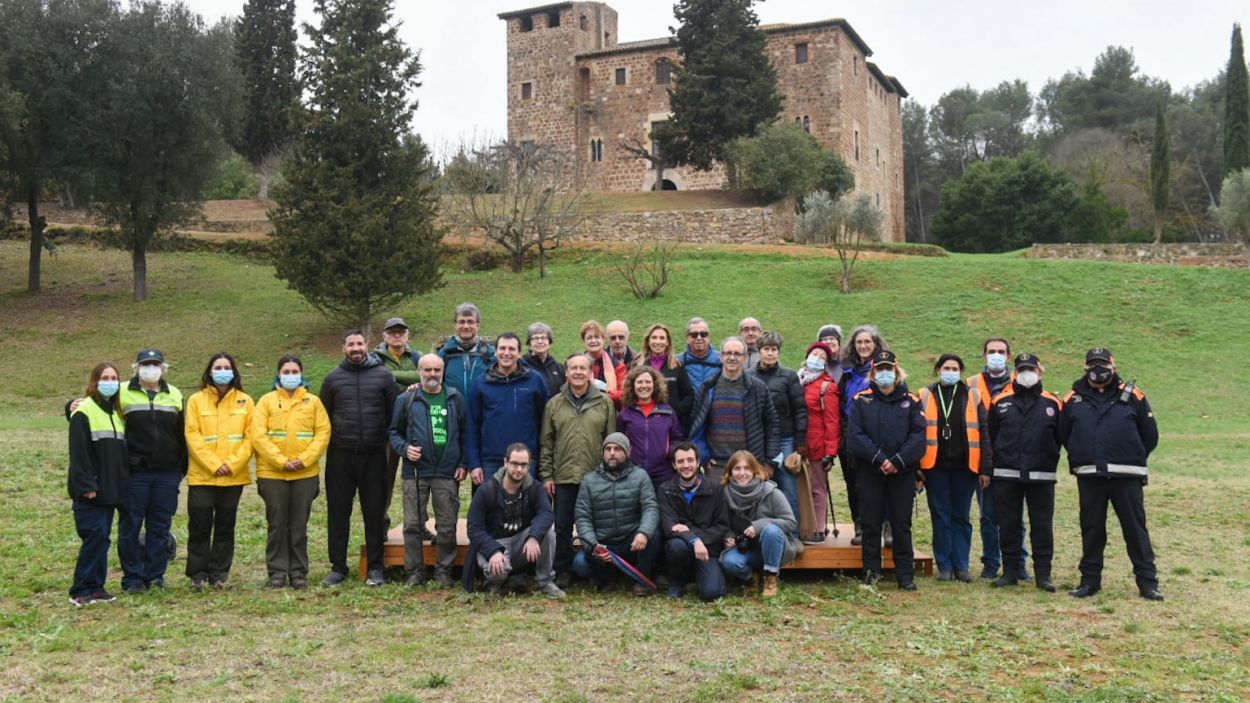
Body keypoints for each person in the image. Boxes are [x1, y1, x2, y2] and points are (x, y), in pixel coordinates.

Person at [1061, 348, 1163, 601]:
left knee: (1135, 530)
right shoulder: (1073, 398)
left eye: (1103, 364)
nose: (1098, 369)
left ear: (1113, 366)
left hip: (1126, 476)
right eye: (1093, 364)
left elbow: (1150, 435)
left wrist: (1130, 455)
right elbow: (1064, 434)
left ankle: (1148, 583)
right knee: (1092, 530)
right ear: (1085, 369)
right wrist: (1081, 454)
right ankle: (1089, 582)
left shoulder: (1134, 396)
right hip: (1090, 476)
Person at [319, 330, 400, 587]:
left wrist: (381, 439)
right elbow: (324, 416)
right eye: (350, 344)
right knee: (338, 511)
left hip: (375, 455)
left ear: (367, 345)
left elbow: (393, 414)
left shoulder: (383, 376)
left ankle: (376, 568)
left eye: (360, 343)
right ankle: (338, 567)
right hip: (340, 455)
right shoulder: (332, 379)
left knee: (374, 512)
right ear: (343, 348)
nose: (356, 348)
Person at [846, 350, 925, 590]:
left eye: (888, 369)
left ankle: (905, 575)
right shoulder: (861, 400)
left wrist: (898, 461)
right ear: (873, 372)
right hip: (870, 471)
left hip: (902, 472)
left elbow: (919, 436)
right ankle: (871, 573)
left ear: (896, 371)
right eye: (880, 369)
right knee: (871, 523)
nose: (884, 373)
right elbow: (855, 436)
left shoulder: (912, 401)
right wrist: (879, 459)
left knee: (901, 523)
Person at [986, 353, 1064, 592]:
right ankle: (1010, 571)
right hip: (1006, 473)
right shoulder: (1000, 401)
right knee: (1008, 525)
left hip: (1042, 475)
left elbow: (1061, 436)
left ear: (1040, 372)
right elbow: (991, 434)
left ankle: (1043, 575)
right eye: (1021, 370)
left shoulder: (1053, 403)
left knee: (1042, 525)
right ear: (1014, 373)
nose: (1026, 374)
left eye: (1031, 369)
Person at [251, 355, 330, 589]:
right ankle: (277, 572)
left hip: (304, 475)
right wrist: (281, 461)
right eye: (286, 371)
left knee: (298, 525)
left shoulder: (313, 402)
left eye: (295, 371)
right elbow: (258, 435)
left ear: (302, 374)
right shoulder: (265, 401)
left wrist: (304, 460)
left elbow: (323, 433)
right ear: (278, 374)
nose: (290, 376)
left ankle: (298, 573)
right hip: (272, 474)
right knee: (276, 524)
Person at [389, 353, 467, 588]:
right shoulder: (407, 399)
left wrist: (463, 463)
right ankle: (414, 571)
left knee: (447, 524)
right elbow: (394, 432)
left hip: (447, 471)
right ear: (419, 372)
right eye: (427, 370)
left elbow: (465, 433)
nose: (432, 374)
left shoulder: (454, 398)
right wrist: (404, 449)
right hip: (415, 471)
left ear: (442, 371)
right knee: (412, 523)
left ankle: (444, 570)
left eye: (437, 370)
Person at [540, 353, 617, 587]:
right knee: (563, 526)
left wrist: (609, 474)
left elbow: (611, 441)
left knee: (597, 526)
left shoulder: (605, 403)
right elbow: (546, 442)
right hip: (564, 476)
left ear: (591, 372)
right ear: (566, 372)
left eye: (583, 368)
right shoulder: (554, 403)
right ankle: (562, 569)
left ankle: (598, 571)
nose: (578, 372)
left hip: (596, 476)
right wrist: (547, 475)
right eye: (573, 368)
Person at [117, 348, 187, 595]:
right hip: (135, 473)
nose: (151, 368)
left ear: (163, 367)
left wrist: (181, 468)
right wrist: (71, 406)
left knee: (160, 527)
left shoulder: (174, 394)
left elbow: (182, 434)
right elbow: (96, 409)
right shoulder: (121, 391)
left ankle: (155, 575)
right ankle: (133, 578)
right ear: (136, 368)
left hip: (167, 474)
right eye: (146, 364)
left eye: (155, 363)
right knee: (130, 526)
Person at [183, 352, 254, 591]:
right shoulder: (195, 400)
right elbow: (192, 435)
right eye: (218, 367)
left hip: (233, 476)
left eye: (227, 367)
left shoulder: (245, 401)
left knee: (225, 525)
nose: (223, 371)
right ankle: (197, 574)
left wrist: (232, 464)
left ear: (233, 372)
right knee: (200, 525)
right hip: (203, 475)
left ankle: (219, 573)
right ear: (210, 372)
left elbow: (249, 438)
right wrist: (214, 464)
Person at [918, 354, 991, 583]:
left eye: (955, 368)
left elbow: (984, 433)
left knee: (961, 516)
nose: (950, 371)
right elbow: (916, 431)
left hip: (965, 467)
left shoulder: (973, 395)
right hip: (934, 466)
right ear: (938, 370)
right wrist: (917, 467)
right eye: (946, 367)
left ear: (961, 371)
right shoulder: (925, 394)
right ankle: (945, 566)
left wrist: (985, 468)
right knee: (941, 516)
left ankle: (961, 565)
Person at [464, 443, 565, 598]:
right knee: (498, 572)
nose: (519, 469)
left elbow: (546, 513)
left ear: (529, 465)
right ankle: (495, 584)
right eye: (515, 464)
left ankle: (545, 582)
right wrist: (493, 551)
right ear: (505, 462)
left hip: (520, 543)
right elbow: (473, 528)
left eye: (523, 465)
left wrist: (534, 536)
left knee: (548, 533)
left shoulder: (534, 488)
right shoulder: (487, 490)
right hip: (494, 543)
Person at [67, 362, 127, 606]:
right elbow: (79, 454)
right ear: (94, 381)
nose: (110, 382)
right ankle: (80, 589)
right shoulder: (84, 411)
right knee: (93, 537)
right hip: (90, 492)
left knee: (102, 538)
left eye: (114, 378)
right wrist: (86, 486)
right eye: (105, 377)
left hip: (109, 490)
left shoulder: (114, 413)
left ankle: (97, 587)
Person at [967, 337, 1027, 581]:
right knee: (988, 515)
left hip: (1013, 459)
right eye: (991, 351)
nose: (996, 355)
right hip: (983, 460)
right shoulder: (971, 384)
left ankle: (1019, 563)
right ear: (983, 356)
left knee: (1015, 516)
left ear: (1009, 356)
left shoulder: (1021, 382)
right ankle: (991, 562)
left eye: (1001, 351)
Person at [572, 433, 661, 595]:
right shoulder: (589, 480)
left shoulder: (640, 476)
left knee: (653, 534)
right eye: (608, 449)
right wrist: (593, 546)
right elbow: (582, 517)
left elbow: (651, 507)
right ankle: (608, 577)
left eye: (617, 449)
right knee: (580, 565)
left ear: (627, 453)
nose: (612, 453)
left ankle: (640, 580)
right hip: (604, 544)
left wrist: (643, 533)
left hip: (632, 542)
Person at [689, 337, 780, 485]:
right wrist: (704, 456)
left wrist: (770, 461)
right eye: (728, 353)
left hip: (749, 464)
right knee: (718, 507)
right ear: (721, 356)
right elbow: (696, 425)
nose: (732, 357)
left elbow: (772, 424)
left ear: (744, 358)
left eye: (737, 354)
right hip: (716, 466)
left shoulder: (758, 388)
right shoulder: (707, 388)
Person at [467, 332, 549, 481]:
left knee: (526, 504)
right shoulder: (481, 383)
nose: (506, 353)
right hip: (490, 460)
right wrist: (474, 463)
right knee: (490, 504)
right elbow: (472, 424)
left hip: (526, 460)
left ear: (519, 353)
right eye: (502, 348)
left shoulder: (535, 380)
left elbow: (544, 420)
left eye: (511, 349)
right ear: (496, 351)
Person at [719, 450, 799, 598]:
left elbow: (790, 523)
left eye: (747, 468)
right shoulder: (724, 495)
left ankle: (771, 578)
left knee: (771, 531)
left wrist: (760, 525)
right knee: (729, 562)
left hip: (775, 546)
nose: (742, 473)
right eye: (737, 468)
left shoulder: (772, 492)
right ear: (730, 472)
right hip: (748, 549)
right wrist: (728, 537)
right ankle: (752, 577)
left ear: (755, 471)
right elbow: (723, 524)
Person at [658, 442, 729, 601]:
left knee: (712, 593)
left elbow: (722, 526)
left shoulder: (715, 488)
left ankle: (703, 578)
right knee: (676, 546)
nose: (686, 465)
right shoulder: (665, 490)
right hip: (680, 548)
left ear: (698, 462)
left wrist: (693, 535)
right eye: (680, 461)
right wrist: (694, 540)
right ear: (674, 465)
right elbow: (669, 527)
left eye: (690, 460)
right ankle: (677, 582)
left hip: (708, 550)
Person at [748, 331, 806, 520]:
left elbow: (800, 409)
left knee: (787, 484)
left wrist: (801, 441)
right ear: (759, 351)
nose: (770, 353)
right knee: (755, 482)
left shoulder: (789, 376)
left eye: (774, 349)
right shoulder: (748, 376)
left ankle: (792, 532)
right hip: (756, 438)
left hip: (785, 439)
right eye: (766, 349)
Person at [839, 325, 888, 547]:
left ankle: (886, 526)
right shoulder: (847, 372)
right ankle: (859, 524)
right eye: (859, 342)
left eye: (867, 342)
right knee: (853, 482)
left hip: (878, 433)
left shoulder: (885, 369)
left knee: (882, 482)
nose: (863, 346)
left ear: (876, 345)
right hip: (850, 434)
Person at [375, 317, 422, 532]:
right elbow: (377, 379)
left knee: (419, 480)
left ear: (407, 335)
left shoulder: (417, 356)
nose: (397, 336)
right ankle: (380, 524)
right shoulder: (374, 358)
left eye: (401, 332)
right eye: (392, 332)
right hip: (385, 428)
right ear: (384, 336)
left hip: (415, 426)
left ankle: (419, 523)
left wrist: (392, 376)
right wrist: (405, 379)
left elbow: (425, 376)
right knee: (383, 479)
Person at [616, 365, 684, 490]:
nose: (644, 386)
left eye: (648, 382)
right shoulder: (625, 413)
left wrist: (667, 452)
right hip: (633, 474)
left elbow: (677, 438)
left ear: (655, 385)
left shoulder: (667, 411)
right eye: (639, 382)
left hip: (663, 474)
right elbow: (619, 441)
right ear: (633, 386)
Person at [801, 342, 841, 544]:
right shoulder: (797, 380)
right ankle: (803, 525)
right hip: (798, 444)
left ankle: (817, 528)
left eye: (822, 357)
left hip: (817, 445)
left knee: (817, 487)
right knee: (801, 487)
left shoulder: (827, 386)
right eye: (814, 354)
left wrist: (831, 452)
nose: (816, 358)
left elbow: (832, 422)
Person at [438, 302, 495, 426]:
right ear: (455, 325)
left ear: (477, 325)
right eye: (461, 322)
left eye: (470, 322)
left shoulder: (490, 354)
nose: (466, 326)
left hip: (483, 418)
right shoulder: (444, 354)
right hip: (451, 420)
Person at [636, 323, 695, 433]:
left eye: (662, 338)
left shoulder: (676, 365)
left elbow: (689, 395)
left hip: (672, 425)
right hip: (644, 423)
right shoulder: (638, 365)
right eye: (654, 337)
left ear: (667, 342)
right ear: (648, 341)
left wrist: (674, 411)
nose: (658, 342)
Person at [581, 319, 626, 407]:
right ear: (584, 341)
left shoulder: (618, 366)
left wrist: (601, 397)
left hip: (609, 409)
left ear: (603, 339)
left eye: (597, 337)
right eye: (589, 338)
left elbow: (623, 393)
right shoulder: (576, 365)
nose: (593, 341)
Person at [678, 317, 721, 395]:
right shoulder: (678, 361)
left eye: (703, 334)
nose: (699, 338)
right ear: (687, 338)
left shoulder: (721, 359)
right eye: (694, 335)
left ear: (709, 337)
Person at [523, 322, 565, 396]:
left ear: (549, 343)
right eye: (535, 338)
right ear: (529, 344)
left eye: (543, 338)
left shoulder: (559, 368)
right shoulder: (521, 366)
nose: (540, 341)